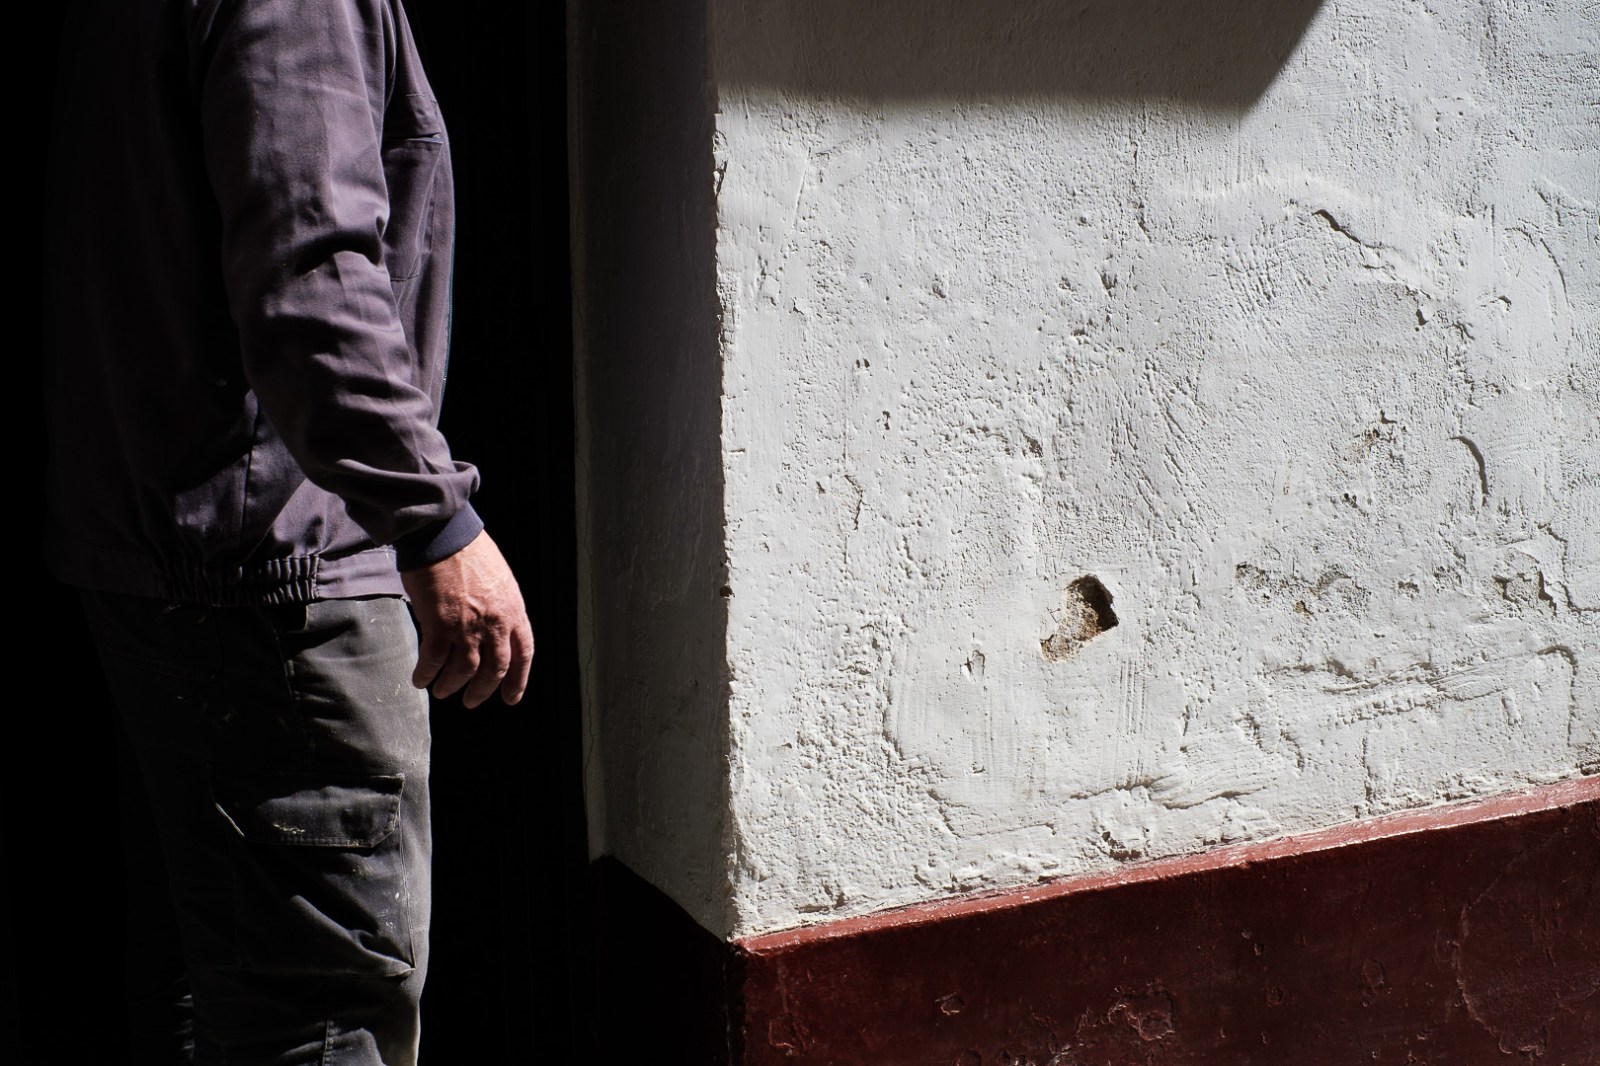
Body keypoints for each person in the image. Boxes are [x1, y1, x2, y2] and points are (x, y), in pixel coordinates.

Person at [43, 0, 531, 1061]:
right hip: (277, 578)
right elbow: (312, 276)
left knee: (221, 993)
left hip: (169, 551)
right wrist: (433, 517)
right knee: (322, 1016)